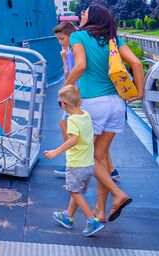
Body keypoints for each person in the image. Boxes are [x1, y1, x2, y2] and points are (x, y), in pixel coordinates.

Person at [67, 4, 144, 223]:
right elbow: (136, 64)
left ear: (94, 18)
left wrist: (67, 87)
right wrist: (139, 93)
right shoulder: (114, 40)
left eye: (85, 12)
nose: (81, 15)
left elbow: (80, 65)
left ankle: (118, 194)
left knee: (89, 157)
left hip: (93, 103)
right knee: (101, 158)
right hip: (117, 103)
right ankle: (101, 210)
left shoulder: (78, 36)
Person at [44, 84, 104, 237]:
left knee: (74, 191)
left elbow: (74, 140)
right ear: (81, 102)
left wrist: (55, 151)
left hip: (76, 164)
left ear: (63, 105)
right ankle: (68, 216)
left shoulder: (72, 121)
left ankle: (92, 219)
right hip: (88, 164)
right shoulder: (85, 115)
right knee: (76, 192)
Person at [52, 22, 78, 177]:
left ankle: (71, 163)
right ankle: (112, 169)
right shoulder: (78, 49)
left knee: (65, 125)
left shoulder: (71, 52)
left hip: (74, 94)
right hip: (79, 92)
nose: (61, 42)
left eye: (62, 39)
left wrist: (63, 57)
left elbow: (68, 74)